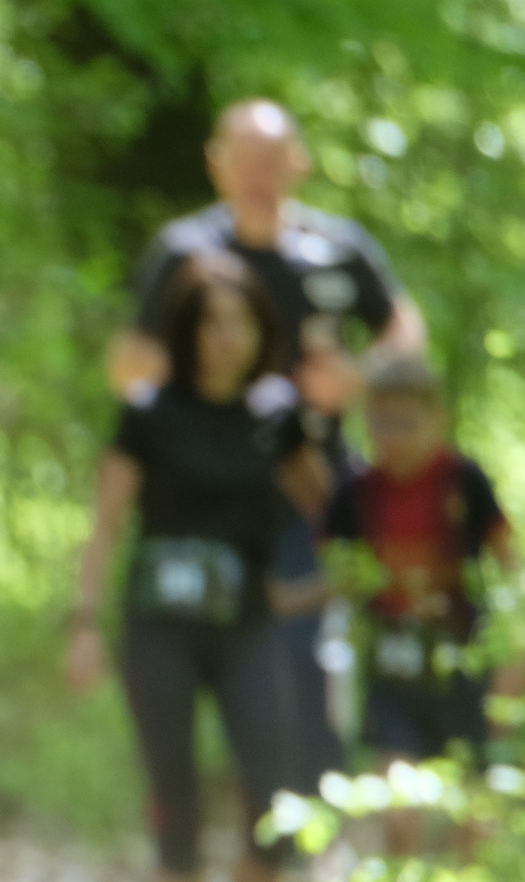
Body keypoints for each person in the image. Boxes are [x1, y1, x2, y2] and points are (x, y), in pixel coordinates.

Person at [112, 98, 431, 795]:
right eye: (244, 159)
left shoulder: (336, 249)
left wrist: (357, 376)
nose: (258, 175)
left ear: (298, 163)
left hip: (307, 490)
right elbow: (129, 365)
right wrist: (213, 385)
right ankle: (213, 811)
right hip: (207, 501)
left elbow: (405, 330)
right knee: (193, 655)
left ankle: (304, 814)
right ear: (217, 165)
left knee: (304, 649)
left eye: (271, 159)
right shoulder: (186, 254)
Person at [68, 251, 330, 882]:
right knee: (175, 799)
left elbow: (332, 513)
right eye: (210, 323)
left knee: (274, 805)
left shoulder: (277, 416)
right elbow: (107, 523)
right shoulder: (148, 412)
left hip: (248, 630)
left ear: (261, 331)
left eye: (240, 322)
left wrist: (327, 586)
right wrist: (83, 623)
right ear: (186, 332)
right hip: (159, 632)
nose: (225, 338)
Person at [321, 353, 525, 856]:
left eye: (408, 423)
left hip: (461, 659)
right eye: (382, 423)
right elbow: (332, 570)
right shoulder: (358, 493)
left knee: (472, 807)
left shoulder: (464, 482)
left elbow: (511, 567)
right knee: (399, 811)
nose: (395, 438)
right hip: (391, 665)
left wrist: (514, 659)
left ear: (437, 418)